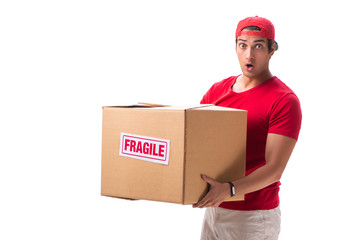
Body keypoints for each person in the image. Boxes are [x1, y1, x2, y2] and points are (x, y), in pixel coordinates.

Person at [192, 16, 302, 240]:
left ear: (272, 50)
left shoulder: (283, 100)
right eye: (243, 45)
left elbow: (274, 169)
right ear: (235, 47)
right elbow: (196, 142)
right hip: (214, 209)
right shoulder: (217, 91)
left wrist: (229, 189)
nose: (249, 55)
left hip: (253, 216)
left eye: (258, 46)